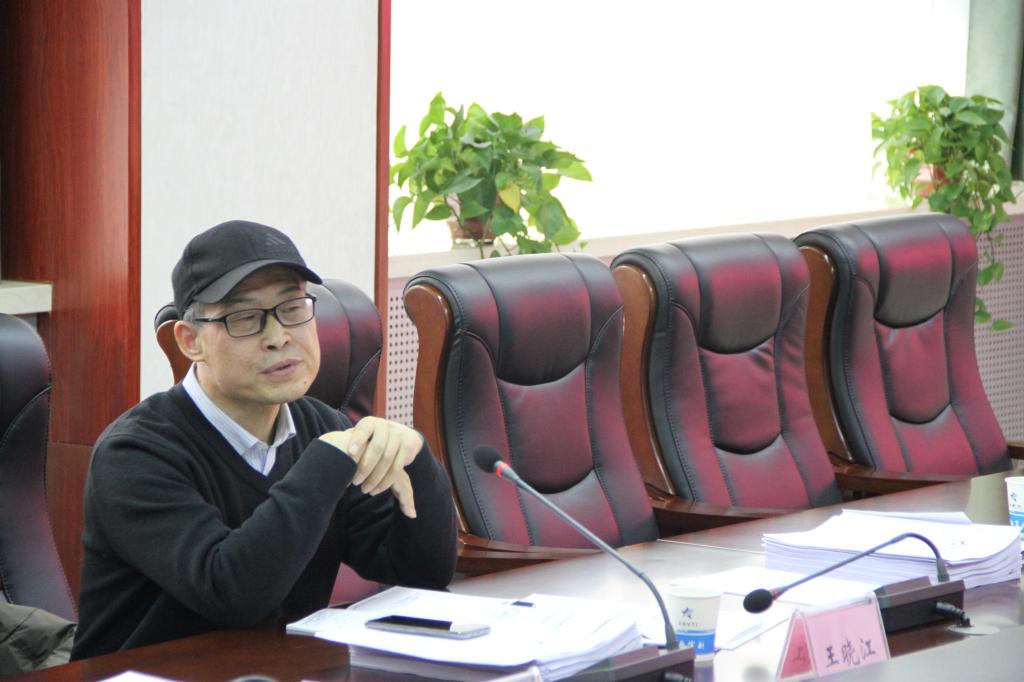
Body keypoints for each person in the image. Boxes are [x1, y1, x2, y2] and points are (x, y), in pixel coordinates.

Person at [72, 220, 458, 659]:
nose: (278, 338)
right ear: (191, 341)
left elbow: (419, 572)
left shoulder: (323, 428)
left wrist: (416, 459)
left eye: (292, 309)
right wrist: (324, 466)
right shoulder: (134, 454)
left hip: (282, 669)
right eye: (245, 318)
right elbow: (230, 593)